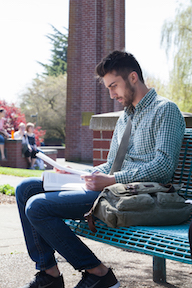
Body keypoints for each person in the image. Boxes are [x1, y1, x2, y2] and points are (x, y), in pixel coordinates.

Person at [16, 51, 185, 288]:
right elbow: (111, 164)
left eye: (114, 86)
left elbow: (163, 168)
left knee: (37, 207)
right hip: (112, 190)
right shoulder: (125, 117)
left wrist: (112, 179)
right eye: (108, 88)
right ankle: (49, 274)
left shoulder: (165, 110)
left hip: (135, 195)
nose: (111, 94)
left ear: (133, 77)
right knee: (25, 188)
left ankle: (99, 274)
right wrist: (79, 172)